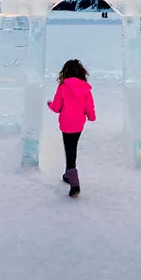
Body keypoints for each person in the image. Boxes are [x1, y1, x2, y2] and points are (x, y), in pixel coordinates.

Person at [47, 59, 95, 197]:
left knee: (69, 151)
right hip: (79, 124)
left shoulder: (63, 87)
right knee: (72, 149)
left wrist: (50, 104)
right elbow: (89, 106)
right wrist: (91, 117)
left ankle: (74, 184)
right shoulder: (85, 88)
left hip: (66, 124)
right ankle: (68, 175)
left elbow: (56, 108)